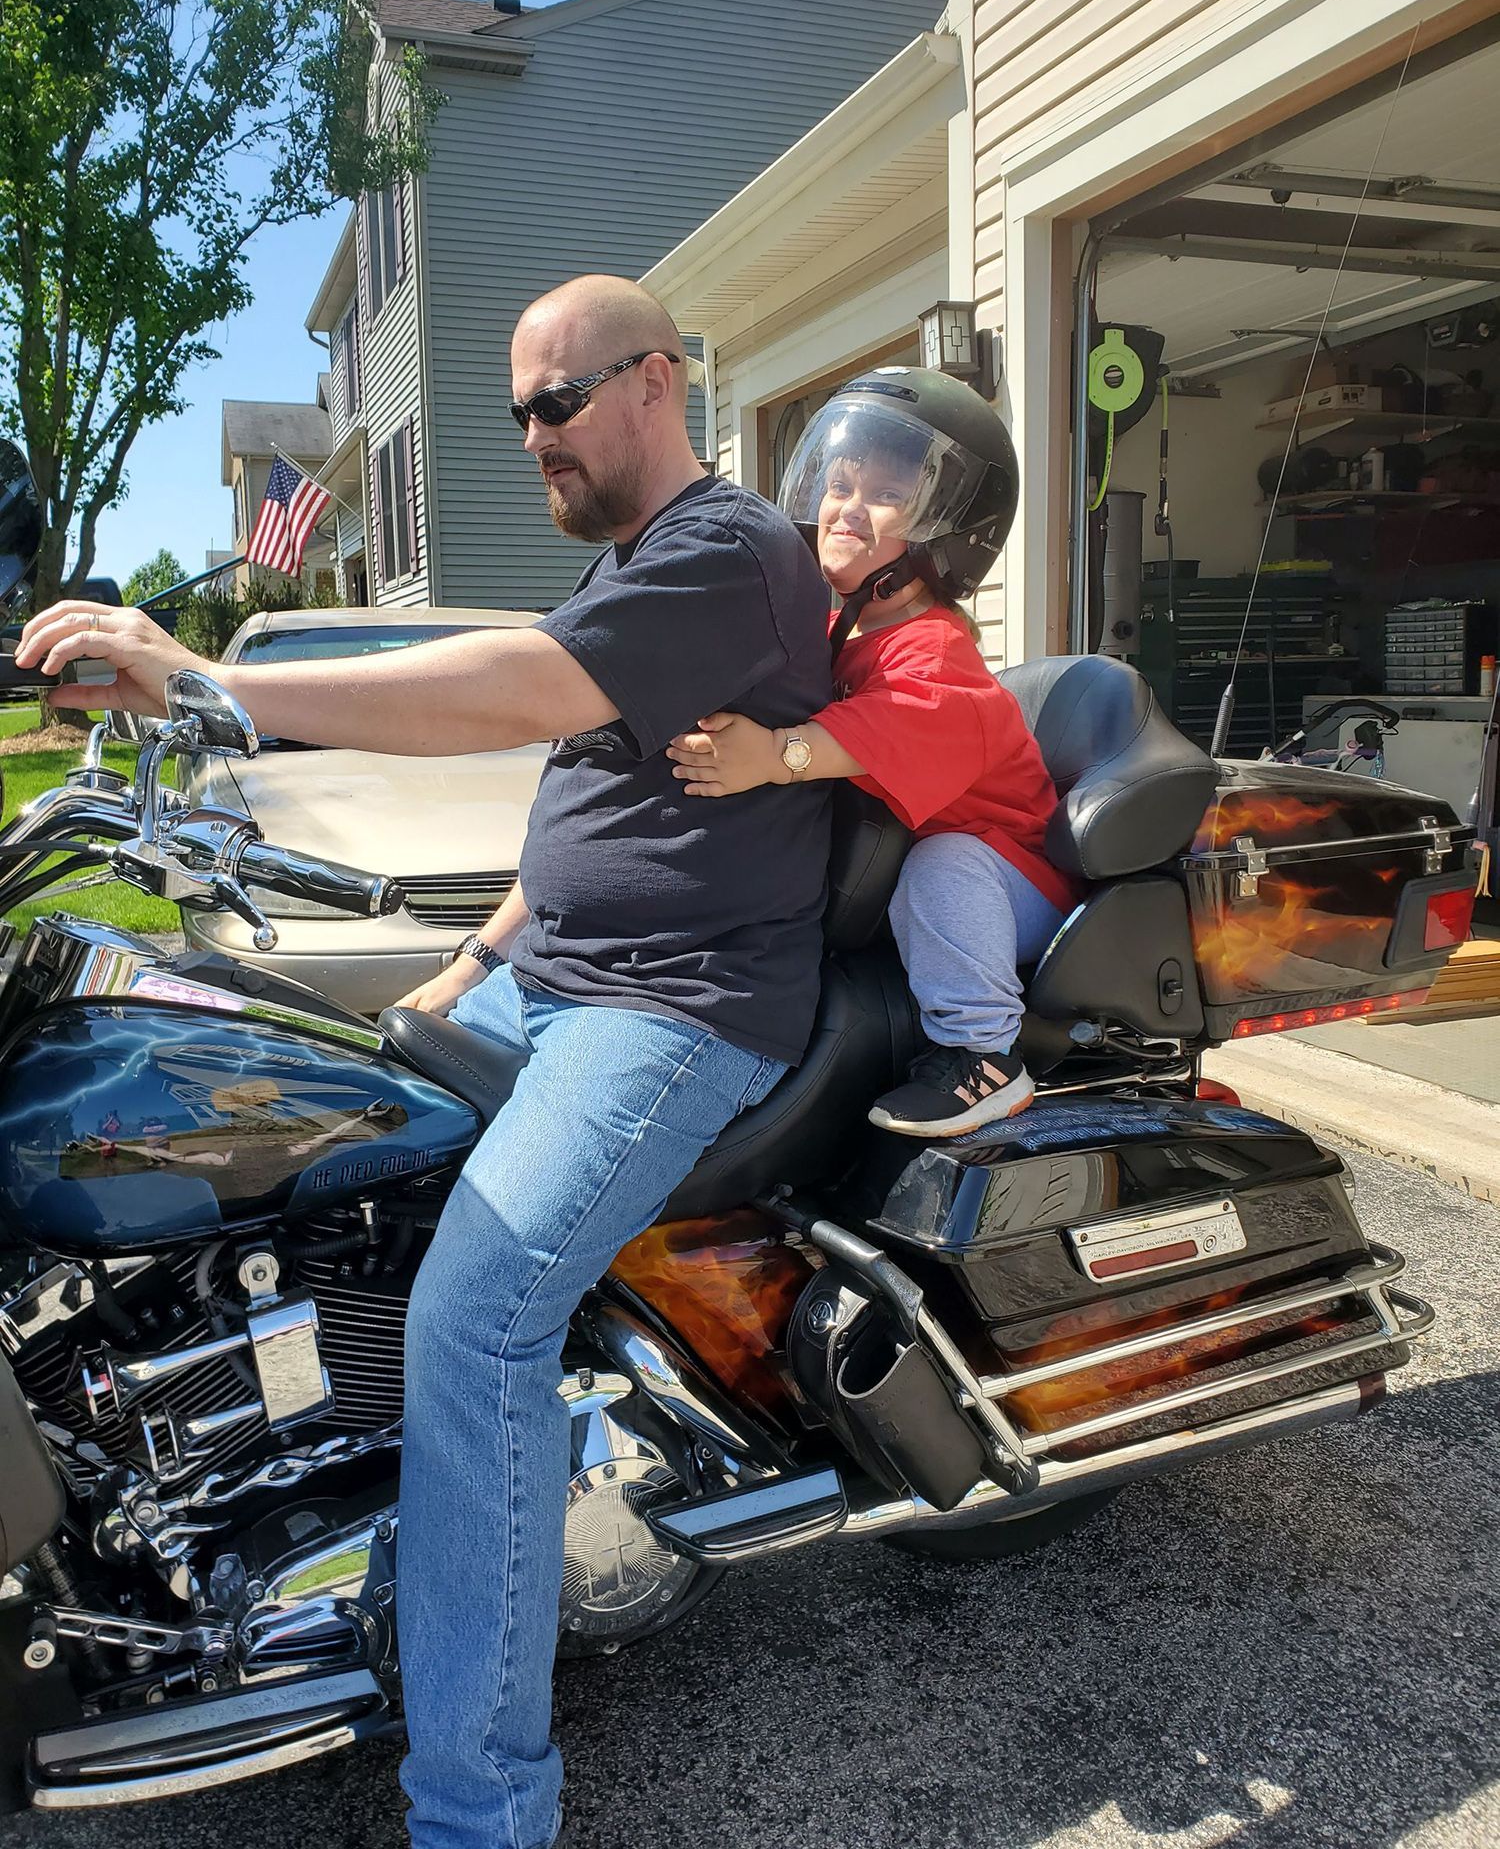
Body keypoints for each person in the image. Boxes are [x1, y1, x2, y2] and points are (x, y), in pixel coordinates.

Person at [16, 275, 833, 1849]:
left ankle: (481, 1811)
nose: (531, 435)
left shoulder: (729, 550)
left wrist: (216, 681)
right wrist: (468, 964)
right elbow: (590, 815)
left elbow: (513, 691)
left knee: (474, 1315)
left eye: (556, 401)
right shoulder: (636, 571)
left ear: (658, 382)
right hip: (555, 980)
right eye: (515, 409)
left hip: (679, 1013)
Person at [665, 366, 1077, 1138]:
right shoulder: (843, 631)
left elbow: (884, 726)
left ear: (948, 533)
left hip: (1010, 877)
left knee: (943, 863)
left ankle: (983, 1056)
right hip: (920, 885)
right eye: (840, 483)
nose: (847, 508)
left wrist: (772, 755)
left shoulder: (936, 653)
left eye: (884, 495)